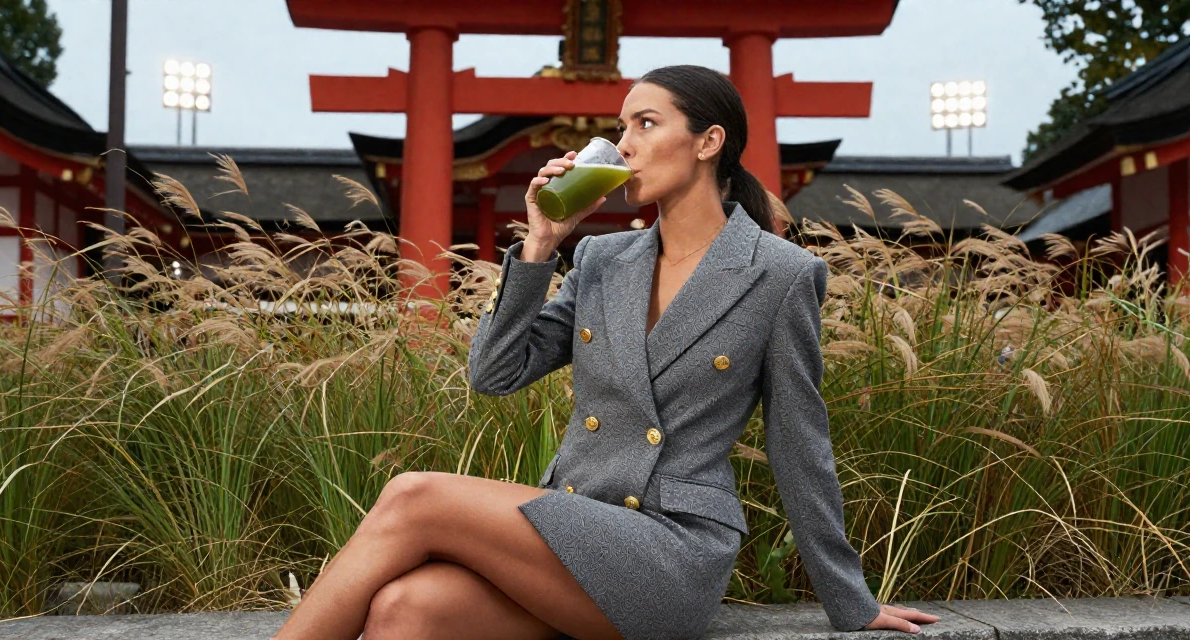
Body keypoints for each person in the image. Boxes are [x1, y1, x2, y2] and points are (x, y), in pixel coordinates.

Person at [272, 64, 940, 640]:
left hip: (670, 547)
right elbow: (494, 374)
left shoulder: (779, 273)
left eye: (646, 124)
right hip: (570, 528)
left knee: (413, 495)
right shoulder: (600, 258)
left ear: (708, 142)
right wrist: (540, 245)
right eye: (622, 129)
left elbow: (798, 442)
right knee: (403, 608)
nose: (624, 146)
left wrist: (850, 601)